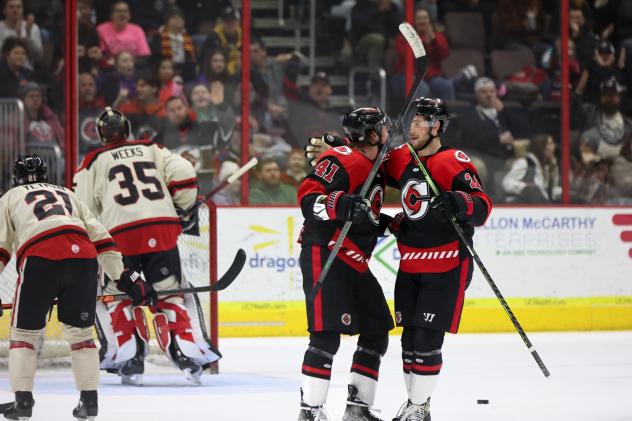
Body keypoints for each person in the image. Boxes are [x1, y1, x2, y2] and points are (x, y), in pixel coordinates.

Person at [73, 107, 221, 386]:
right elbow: (185, 171)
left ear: (101, 135)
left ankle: (130, 357)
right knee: (171, 293)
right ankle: (186, 352)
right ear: (128, 130)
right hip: (162, 227)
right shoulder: (152, 148)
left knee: (115, 296)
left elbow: (82, 208)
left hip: (120, 236)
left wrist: (88, 239)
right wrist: (183, 207)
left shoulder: (92, 160)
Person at [0, 154, 154, 419]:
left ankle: (23, 403)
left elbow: (2, 249)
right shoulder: (68, 195)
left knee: (24, 336)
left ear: (17, 178)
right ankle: (89, 403)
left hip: (40, 257)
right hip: (83, 259)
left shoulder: (10, 197)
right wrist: (125, 278)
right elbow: (102, 239)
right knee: (82, 337)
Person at [383, 98, 492, 420]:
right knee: (409, 340)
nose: (411, 127)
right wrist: (337, 150)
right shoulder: (402, 157)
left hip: (446, 264)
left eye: (420, 122)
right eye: (410, 121)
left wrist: (460, 202)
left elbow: (482, 206)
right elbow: (370, 166)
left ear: (437, 127)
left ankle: (418, 407)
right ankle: (417, 403)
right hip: (410, 263)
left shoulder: (453, 161)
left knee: (427, 338)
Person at [296, 107, 394, 421]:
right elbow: (308, 199)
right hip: (325, 251)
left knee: (376, 328)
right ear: (373, 135)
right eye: (383, 129)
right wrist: (342, 204)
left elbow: (363, 212)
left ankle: (357, 410)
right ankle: (310, 412)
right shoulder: (344, 158)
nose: (389, 133)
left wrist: (385, 223)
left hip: (352, 259)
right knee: (325, 336)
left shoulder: (373, 163)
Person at [502, 134, 560, 203]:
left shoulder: (550, 166)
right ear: (541, 147)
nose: (553, 147)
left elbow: (552, 191)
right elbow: (507, 182)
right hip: (524, 205)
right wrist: (526, 187)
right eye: (550, 144)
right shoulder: (525, 162)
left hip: (544, 204)